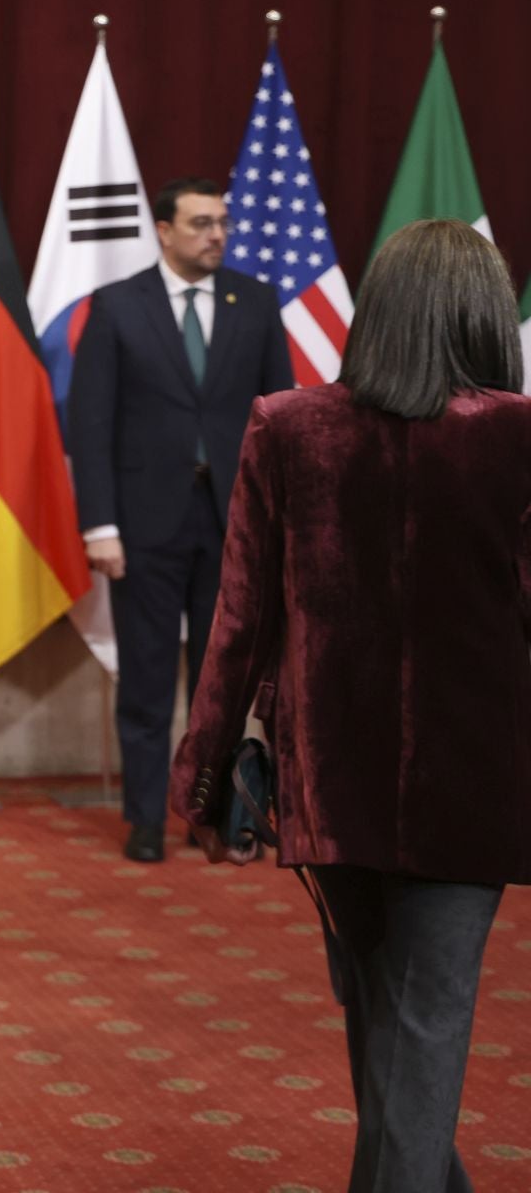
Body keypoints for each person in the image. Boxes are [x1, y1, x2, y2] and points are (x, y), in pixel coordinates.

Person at [173, 219, 530, 1193]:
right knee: (413, 1032)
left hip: (329, 790)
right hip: (471, 796)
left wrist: (202, 784)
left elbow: (236, 624)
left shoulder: (288, 425)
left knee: (384, 1024)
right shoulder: (519, 439)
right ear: (482, 315)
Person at [66, 176, 294, 862]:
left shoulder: (254, 301)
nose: (216, 234)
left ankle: (211, 815)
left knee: (219, 682)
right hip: (143, 524)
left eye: (222, 222)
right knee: (145, 675)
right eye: (200, 223)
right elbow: (92, 421)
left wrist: (283, 520)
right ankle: (144, 818)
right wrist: (98, 525)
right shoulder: (117, 306)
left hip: (235, 520)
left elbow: (281, 414)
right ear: (163, 230)